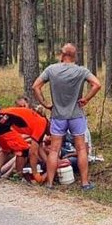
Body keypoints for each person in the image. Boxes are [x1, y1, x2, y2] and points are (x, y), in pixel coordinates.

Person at [33, 43, 102, 190]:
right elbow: (97, 84)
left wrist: (45, 103)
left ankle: (49, 183)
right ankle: (85, 183)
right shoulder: (81, 71)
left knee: (54, 150)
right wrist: (86, 99)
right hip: (76, 115)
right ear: (74, 55)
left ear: (62, 54)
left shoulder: (51, 70)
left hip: (58, 116)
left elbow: (36, 86)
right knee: (81, 149)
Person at [0, 97, 42, 182]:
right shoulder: (17, 112)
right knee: (23, 149)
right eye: (20, 106)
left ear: (28, 104)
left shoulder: (29, 114)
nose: (22, 107)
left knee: (6, 149)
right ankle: (17, 175)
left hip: (0, 126)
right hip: (3, 127)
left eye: (23, 105)